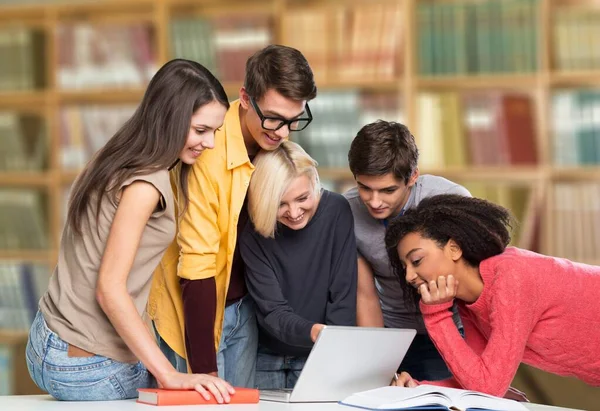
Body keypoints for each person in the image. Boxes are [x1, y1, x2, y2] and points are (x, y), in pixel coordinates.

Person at [25, 59, 235, 402]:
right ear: (169, 118)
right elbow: (109, 288)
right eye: (200, 130)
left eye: (215, 131)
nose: (209, 143)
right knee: (196, 390)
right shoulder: (147, 184)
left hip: (45, 341)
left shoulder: (115, 155)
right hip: (85, 364)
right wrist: (168, 375)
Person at [148, 45, 317, 388]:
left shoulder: (276, 144)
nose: (282, 132)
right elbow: (196, 267)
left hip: (243, 308)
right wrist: (204, 371)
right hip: (193, 312)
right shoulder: (207, 153)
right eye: (272, 118)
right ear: (244, 97)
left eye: (292, 120)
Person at [386, 194, 600, 397]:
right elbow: (476, 378)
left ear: (454, 249)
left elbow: (487, 387)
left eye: (416, 261)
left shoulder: (511, 277)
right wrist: (418, 388)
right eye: (404, 267)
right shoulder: (468, 303)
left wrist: (435, 315)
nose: (409, 277)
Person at [343, 120, 470, 381]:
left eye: (388, 190)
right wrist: (379, 362)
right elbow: (364, 294)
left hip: (452, 330)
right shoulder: (347, 212)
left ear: (412, 176)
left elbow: (483, 279)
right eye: (365, 188)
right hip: (391, 335)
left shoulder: (451, 201)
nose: (374, 202)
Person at [240, 141, 357, 389]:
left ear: (315, 182)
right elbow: (272, 311)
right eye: (280, 204)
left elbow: (343, 296)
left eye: (303, 198)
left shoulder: (337, 211)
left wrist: (332, 347)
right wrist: (315, 332)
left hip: (320, 354)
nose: (294, 212)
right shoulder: (253, 232)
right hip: (266, 355)